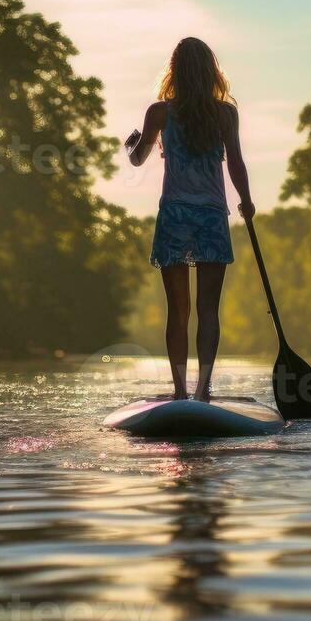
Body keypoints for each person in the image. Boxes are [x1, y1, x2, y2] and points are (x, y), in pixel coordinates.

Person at [125, 38, 254, 402]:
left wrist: (132, 145)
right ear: (210, 71)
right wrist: (246, 201)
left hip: (175, 216)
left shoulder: (160, 113)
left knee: (178, 312)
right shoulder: (225, 114)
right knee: (208, 310)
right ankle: (203, 389)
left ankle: (180, 390)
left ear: (175, 72)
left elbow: (137, 160)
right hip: (212, 215)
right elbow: (237, 163)